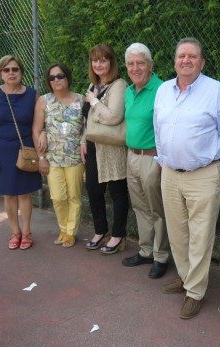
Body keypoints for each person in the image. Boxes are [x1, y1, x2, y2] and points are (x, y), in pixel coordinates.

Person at [154, 37, 220, 319]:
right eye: (181, 56)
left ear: (201, 62)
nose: (186, 60)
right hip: (169, 173)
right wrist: (161, 160)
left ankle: (195, 292)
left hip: (203, 174)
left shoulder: (215, 90)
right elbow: (158, 128)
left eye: (192, 56)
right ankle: (185, 276)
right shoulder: (164, 90)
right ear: (175, 60)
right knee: (177, 233)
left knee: (201, 235)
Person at [0, 55, 41, 250]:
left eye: (15, 69)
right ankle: (15, 231)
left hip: (24, 151)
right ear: (1, 74)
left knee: (24, 194)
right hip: (0, 152)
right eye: (7, 70)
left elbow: (39, 126)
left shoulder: (32, 95)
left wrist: (42, 146)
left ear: (21, 72)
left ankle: (27, 231)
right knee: (9, 194)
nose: (11, 73)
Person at [121, 43, 170, 278]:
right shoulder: (129, 91)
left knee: (157, 210)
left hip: (153, 158)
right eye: (130, 63)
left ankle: (161, 256)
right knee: (140, 207)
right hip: (131, 155)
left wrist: (162, 160)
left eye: (140, 62)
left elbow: (168, 128)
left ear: (151, 64)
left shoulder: (162, 90)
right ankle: (146, 250)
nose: (135, 67)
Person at [80, 44, 129, 255]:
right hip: (92, 144)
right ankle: (100, 230)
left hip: (111, 146)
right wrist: (83, 140)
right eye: (95, 60)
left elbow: (114, 117)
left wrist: (94, 101)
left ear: (111, 62)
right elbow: (88, 119)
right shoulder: (93, 85)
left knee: (117, 191)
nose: (98, 64)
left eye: (103, 60)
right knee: (93, 189)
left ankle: (118, 235)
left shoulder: (119, 85)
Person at [32, 63, 85, 248]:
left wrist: (85, 141)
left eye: (60, 76)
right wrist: (41, 157)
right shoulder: (44, 101)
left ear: (67, 77)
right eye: (52, 77)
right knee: (58, 197)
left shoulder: (81, 99)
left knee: (74, 197)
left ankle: (70, 233)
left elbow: (88, 128)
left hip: (76, 158)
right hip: (52, 158)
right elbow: (37, 129)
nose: (56, 80)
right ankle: (63, 228)